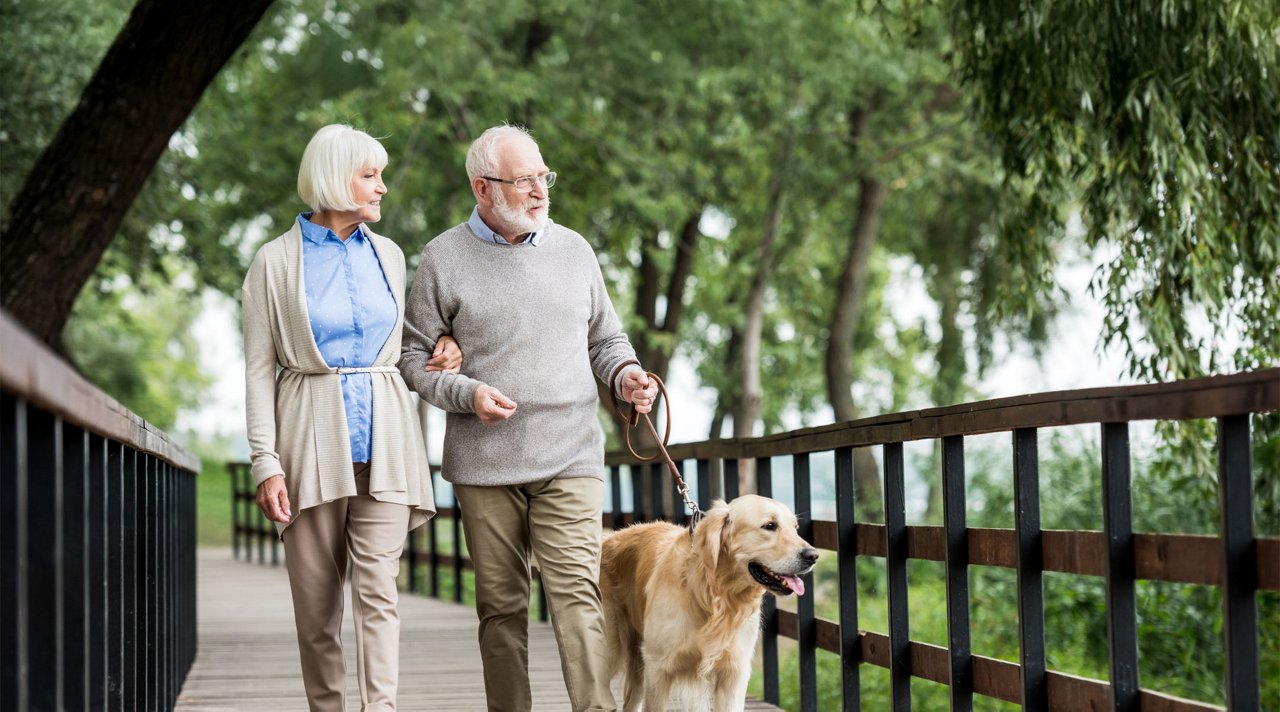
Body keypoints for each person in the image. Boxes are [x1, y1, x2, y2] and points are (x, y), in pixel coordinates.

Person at [398, 124, 658, 712]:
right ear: (483, 188)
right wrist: (468, 394)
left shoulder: (575, 250)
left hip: (570, 452)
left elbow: (605, 339)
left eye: (544, 176)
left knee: (577, 596)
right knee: (501, 606)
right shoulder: (442, 258)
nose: (540, 191)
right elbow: (414, 360)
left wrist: (626, 376)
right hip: (484, 463)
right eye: (524, 181)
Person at [243, 123, 459, 712]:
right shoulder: (273, 263)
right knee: (316, 610)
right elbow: (260, 371)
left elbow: (407, 342)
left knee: (378, 594)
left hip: (387, 439)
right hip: (309, 444)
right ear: (336, 179)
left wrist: (445, 346)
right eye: (371, 176)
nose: (383, 188)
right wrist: (266, 461)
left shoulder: (389, 255)